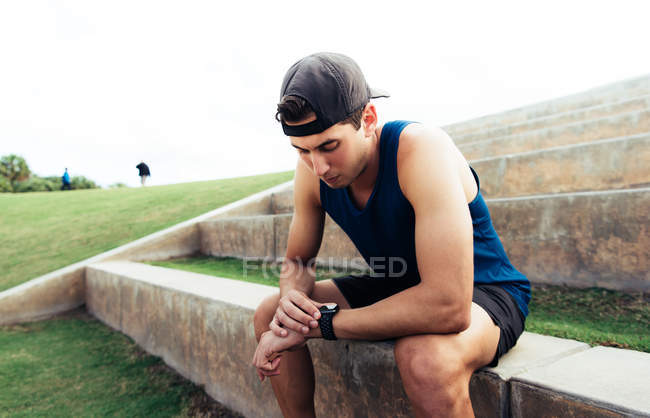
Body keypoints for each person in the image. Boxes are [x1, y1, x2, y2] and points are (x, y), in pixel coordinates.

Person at [252, 52, 531, 417]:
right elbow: (299, 260)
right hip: (398, 282)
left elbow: (449, 305)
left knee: (424, 357)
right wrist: (293, 304)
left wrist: (321, 323)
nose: (318, 166)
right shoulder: (311, 171)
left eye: (329, 146)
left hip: (483, 291)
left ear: (368, 119)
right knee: (270, 312)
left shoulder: (421, 149)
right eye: (302, 151)